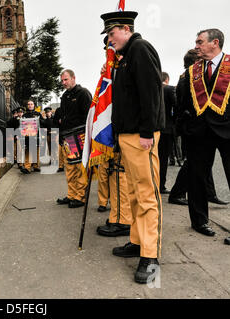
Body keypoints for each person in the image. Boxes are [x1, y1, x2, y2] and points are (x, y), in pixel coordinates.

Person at [100, 10, 165, 284]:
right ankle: (138, 241)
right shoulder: (125, 57)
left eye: (111, 35)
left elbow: (151, 92)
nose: (109, 41)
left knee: (147, 194)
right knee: (134, 192)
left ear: (126, 28)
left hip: (141, 136)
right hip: (128, 136)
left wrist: (147, 131)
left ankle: (150, 255)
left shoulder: (140, 49)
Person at [177, 29, 230, 240]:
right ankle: (199, 221)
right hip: (198, 133)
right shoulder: (191, 72)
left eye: (200, 42)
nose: (196, 45)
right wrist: (185, 127)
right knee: (197, 178)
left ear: (214, 43)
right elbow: (181, 101)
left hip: (227, 130)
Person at [169, 49, 228, 207]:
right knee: (193, 166)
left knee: (201, 166)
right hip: (192, 129)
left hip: (204, 128)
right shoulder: (187, 77)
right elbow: (181, 105)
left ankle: (209, 193)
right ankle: (177, 192)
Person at [56, 69, 91, 209]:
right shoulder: (64, 96)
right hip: (67, 136)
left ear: (73, 78)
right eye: (62, 80)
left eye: (66, 79)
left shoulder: (83, 93)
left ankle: (80, 196)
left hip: (79, 135)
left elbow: (89, 116)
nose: (64, 83)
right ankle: (71, 194)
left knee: (79, 167)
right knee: (69, 167)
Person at [159, 72, 176, 195]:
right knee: (163, 159)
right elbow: (177, 106)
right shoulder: (170, 89)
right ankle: (161, 185)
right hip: (167, 129)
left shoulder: (153, 89)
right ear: (167, 79)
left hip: (154, 129)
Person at [21, 100, 43, 174]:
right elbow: (22, 125)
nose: (30, 105)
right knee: (28, 151)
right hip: (27, 136)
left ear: (34, 105)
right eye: (29, 104)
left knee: (36, 150)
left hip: (36, 135)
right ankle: (27, 167)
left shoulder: (38, 114)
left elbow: (43, 123)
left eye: (31, 104)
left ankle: (36, 166)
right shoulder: (24, 115)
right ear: (27, 106)